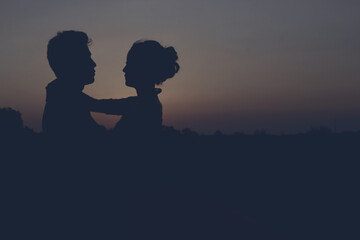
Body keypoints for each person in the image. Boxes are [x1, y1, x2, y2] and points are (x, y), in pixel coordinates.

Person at [42, 30, 136, 140]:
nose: (93, 63)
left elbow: (98, 105)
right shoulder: (67, 102)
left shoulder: (64, 97)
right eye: (86, 57)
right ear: (71, 62)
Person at [112, 40, 180, 137]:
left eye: (129, 64)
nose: (124, 69)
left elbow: (95, 104)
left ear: (143, 68)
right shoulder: (145, 102)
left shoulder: (143, 105)